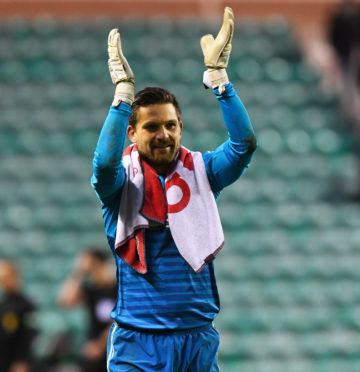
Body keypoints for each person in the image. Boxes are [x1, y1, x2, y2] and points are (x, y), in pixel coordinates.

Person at [91, 7, 256, 371]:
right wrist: (122, 97)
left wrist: (221, 81)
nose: (163, 134)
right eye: (151, 127)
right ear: (132, 133)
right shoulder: (120, 184)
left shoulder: (203, 171)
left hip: (197, 340)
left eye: (170, 125)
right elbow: (104, 165)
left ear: (180, 126)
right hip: (138, 342)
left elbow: (243, 144)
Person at [58, 248, 117, 372]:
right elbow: (65, 302)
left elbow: (118, 321)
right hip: (93, 348)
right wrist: (79, 272)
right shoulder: (90, 289)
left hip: (114, 346)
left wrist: (100, 345)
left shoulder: (117, 288)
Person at [0, 260, 37, 372]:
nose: (3, 281)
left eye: (6, 277)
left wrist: (22, 360)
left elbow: (30, 334)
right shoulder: (3, 303)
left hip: (16, 361)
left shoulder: (26, 305)